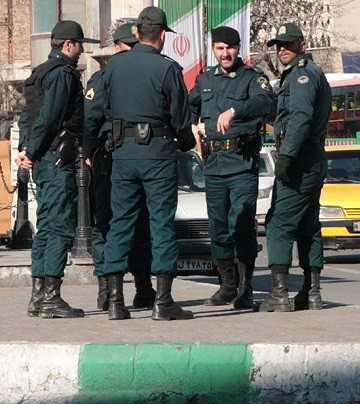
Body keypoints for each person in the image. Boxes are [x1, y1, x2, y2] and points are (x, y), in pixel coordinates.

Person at [98, 6, 196, 320]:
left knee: (120, 224)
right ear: (163, 34)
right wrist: (187, 143)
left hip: (123, 156)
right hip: (158, 156)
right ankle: (163, 302)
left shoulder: (113, 66)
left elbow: (107, 110)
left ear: (137, 33)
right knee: (161, 225)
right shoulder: (168, 68)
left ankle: (115, 302)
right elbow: (182, 119)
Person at [16, 20, 99, 319]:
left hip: (44, 159)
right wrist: (34, 151)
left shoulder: (40, 73)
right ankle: (51, 297)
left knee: (47, 224)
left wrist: (26, 150)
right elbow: (49, 118)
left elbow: (28, 117)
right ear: (68, 45)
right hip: (56, 161)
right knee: (59, 226)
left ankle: (38, 297)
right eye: (79, 44)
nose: (80, 50)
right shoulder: (63, 75)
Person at [188, 26, 273, 309]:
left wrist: (235, 111)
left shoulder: (252, 78)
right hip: (213, 165)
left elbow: (265, 101)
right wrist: (191, 124)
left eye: (230, 48)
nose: (225, 54)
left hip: (241, 162)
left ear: (239, 49)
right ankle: (227, 285)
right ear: (213, 50)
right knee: (218, 227)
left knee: (242, 223)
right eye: (220, 48)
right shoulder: (204, 80)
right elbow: (190, 105)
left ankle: (246, 288)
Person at [83, 23, 155, 318]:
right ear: (118, 48)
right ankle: (108, 289)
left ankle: (142, 285)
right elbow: (90, 117)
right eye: (129, 48)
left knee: (142, 221)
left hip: (135, 155)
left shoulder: (142, 73)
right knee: (107, 222)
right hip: (108, 158)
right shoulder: (102, 78)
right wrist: (88, 150)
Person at [262, 23, 331, 312]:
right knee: (308, 224)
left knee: (278, 222)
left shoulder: (302, 74)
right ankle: (311, 292)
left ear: (302, 45)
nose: (281, 49)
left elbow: (300, 117)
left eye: (288, 44)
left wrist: (287, 156)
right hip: (312, 156)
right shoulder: (308, 72)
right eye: (278, 45)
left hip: (300, 159)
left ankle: (280, 294)